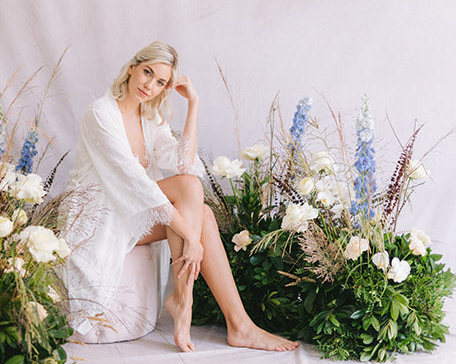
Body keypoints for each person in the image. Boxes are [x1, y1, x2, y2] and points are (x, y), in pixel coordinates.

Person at [59, 41, 299, 353]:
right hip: (97, 216)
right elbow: (133, 183)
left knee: (198, 205)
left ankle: (231, 321)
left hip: (128, 213)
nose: (150, 85)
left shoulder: (150, 118)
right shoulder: (100, 113)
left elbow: (184, 166)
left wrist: (193, 106)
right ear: (132, 68)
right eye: (147, 73)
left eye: (160, 82)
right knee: (193, 209)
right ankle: (198, 307)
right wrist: (191, 237)